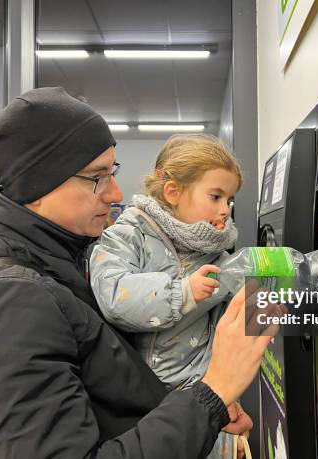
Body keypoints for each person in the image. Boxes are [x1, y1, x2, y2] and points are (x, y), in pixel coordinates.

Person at [0, 87, 273, 458]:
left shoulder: (63, 264)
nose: (114, 193)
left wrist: (201, 413)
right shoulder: (5, 303)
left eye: (112, 172)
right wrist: (213, 394)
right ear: (39, 183)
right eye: (97, 177)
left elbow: (115, 397)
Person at [90, 134, 242, 458]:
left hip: (204, 405)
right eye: (215, 196)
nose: (225, 210)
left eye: (229, 199)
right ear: (173, 192)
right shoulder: (127, 236)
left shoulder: (218, 256)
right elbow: (113, 294)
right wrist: (182, 293)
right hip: (142, 409)